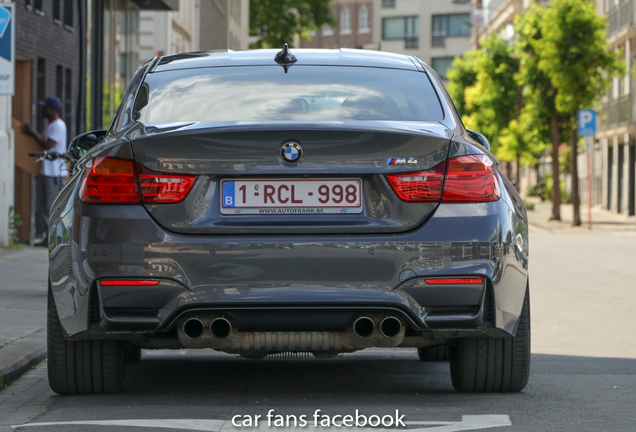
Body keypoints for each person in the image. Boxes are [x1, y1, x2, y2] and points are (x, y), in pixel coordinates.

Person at [21, 96, 68, 245]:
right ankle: (47, 238)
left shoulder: (58, 125)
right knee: (42, 206)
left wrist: (32, 133)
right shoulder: (51, 124)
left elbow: (48, 145)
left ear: (52, 109)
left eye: (45, 107)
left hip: (54, 174)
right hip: (46, 172)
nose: (42, 110)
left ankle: (53, 239)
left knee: (50, 207)